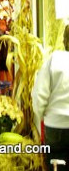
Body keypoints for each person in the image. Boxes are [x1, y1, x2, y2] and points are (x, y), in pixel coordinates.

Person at [32, 24, 69, 171]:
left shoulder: (54, 59)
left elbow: (39, 94)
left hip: (56, 127)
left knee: (57, 165)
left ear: (64, 40)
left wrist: (42, 115)